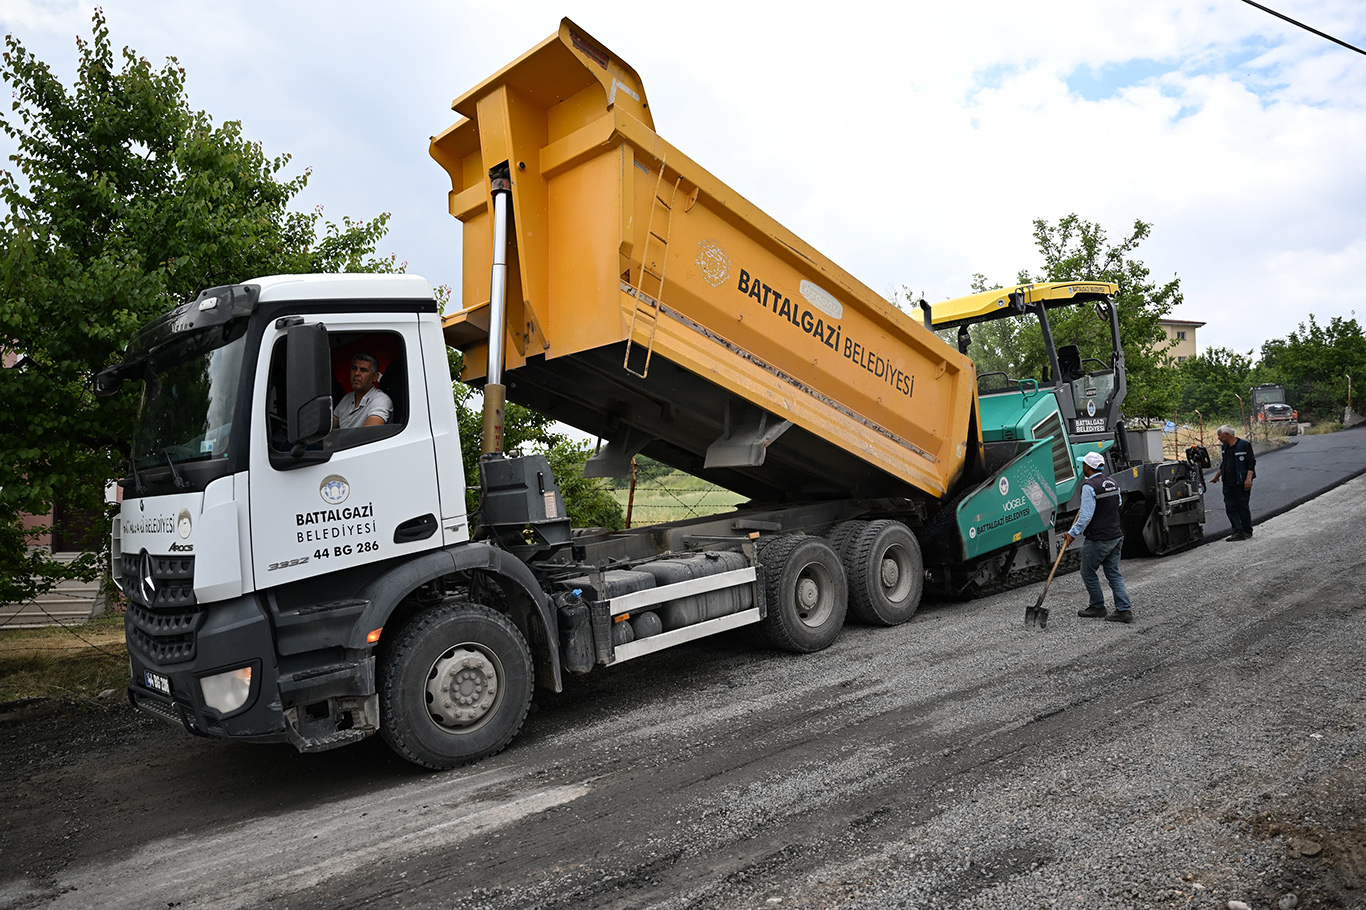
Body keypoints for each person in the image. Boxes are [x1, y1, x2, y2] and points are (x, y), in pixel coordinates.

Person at [1064, 450, 1132, 623]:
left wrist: (1072, 534)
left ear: (1088, 467)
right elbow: (1117, 503)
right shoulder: (1112, 482)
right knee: (1113, 573)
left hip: (1098, 538)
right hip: (1116, 535)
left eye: (1083, 465)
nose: (1082, 467)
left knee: (1087, 572)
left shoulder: (1089, 487)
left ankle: (1097, 607)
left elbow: (1085, 516)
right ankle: (1124, 610)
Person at [1211, 424, 1255, 541]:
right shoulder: (1225, 448)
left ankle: (1247, 530)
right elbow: (1224, 464)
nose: (1218, 438)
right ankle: (1237, 531)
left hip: (1241, 482)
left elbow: (1251, 462)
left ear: (1227, 434)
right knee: (1230, 507)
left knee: (1242, 507)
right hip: (1228, 483)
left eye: (1219, 435)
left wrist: (1248, 479)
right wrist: (1216, 477)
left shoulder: (1244, 445)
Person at [333, 352, 393, 429]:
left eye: (363, 370)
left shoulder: (381, 400)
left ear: (375, 377)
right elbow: (329, 427)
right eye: (354, 368)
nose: (356, 373)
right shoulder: (347, 398)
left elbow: (368, 434)